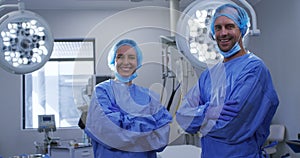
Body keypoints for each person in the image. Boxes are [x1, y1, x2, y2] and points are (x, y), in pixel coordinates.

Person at [175, 3, 279, 158]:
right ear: (212, 32)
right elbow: (183, 117)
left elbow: (231, 128)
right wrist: (209, 111)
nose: (223, 33)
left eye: (230, 26)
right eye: (218, 28)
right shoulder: (209, 75)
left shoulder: (254, 69)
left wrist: (199, 118)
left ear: (242, 30)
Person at [84, 39, 172, 158]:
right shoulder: (102, 91)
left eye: (131, 57)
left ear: (138, 62)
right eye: (120, 56)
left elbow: (161, 139)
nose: (126, 62)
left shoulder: (149, 96)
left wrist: (124, 122)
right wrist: (147, 124)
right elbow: (110, 133)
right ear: (113, 61)